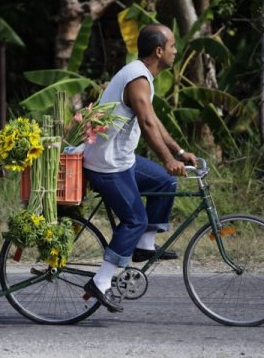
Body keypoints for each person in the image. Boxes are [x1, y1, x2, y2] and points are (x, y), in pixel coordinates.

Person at [82, 24, 197, 312]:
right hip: (107, 165)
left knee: (164, 183)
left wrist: (179, 152)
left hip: (123, 160)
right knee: (134, 218)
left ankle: (144, 246)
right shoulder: (137, 78)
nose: (175, 51)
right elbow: (146, 125)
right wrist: (169, 161)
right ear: (159, 51)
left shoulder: (142, 75)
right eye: (172, 46)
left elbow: (153, 119)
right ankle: (101, 281)